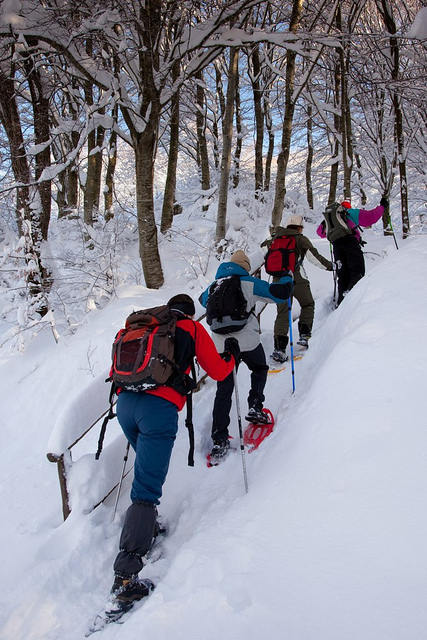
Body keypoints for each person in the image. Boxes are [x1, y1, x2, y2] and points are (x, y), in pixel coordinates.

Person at [109, 294, 236, 613]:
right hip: (159, 410)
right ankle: (125, 578)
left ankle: (146, 524)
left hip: (126, 404)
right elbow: (219, 372)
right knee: (146, 490)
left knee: (146, 471)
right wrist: (231, 357)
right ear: (191, 313)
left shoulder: (142, 326)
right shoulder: (191, 328)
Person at [199, 249, 294, 461]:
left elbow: (201, 300)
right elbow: (278, 293)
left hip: (222, 346)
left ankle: (219, 438)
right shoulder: (249, 282)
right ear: (245, 267)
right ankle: (255, 406)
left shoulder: (214, 286)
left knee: (224, 388)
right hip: (248, 342)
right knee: (259, 368)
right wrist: (287, 277)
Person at [263, 214, 333, 363]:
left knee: (282, 313)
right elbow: (314, 257)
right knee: (307, 304)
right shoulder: (300, 239)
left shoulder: (275, 239)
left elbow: (263, 250)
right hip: (297, 278)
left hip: (278, 281)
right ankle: (304, 336)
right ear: (300, 227)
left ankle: (279, 349)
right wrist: (331, 267)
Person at [316, 198, 388, 305]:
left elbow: (319, 232)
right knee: (357, 272)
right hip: (350, 244)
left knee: (343, 276)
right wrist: (382, 206)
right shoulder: (351, 213)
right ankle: (351, 301)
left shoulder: (330, 220)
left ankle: (340, 304)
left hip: (337, 248)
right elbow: (371, 217)